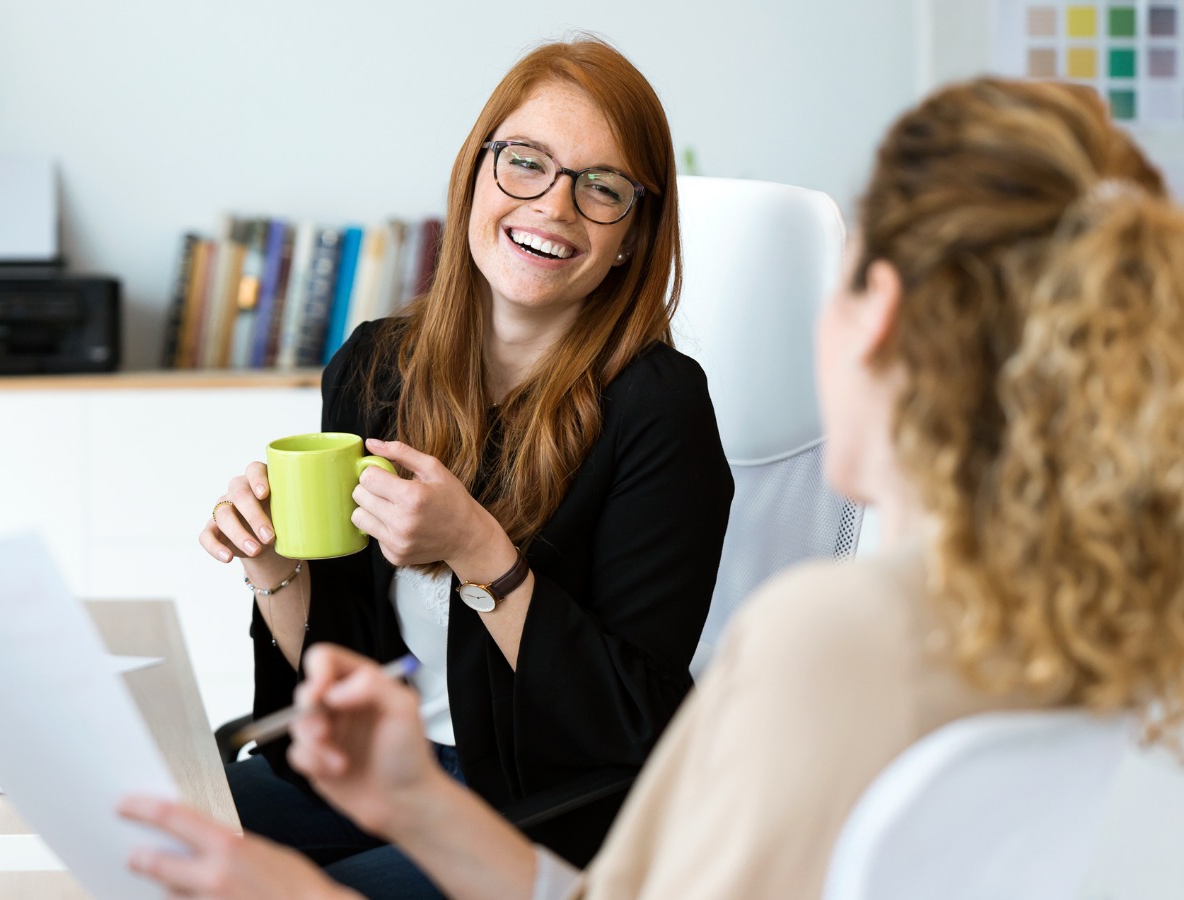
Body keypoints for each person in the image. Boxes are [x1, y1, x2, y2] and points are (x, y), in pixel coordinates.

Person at [120, 76, 1184, 899]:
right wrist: (402, 785)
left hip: (550, 791)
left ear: (881, 317)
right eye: (524, 164)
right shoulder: (1130, 642)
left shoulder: (831, 632)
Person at [191, 36, 734, 897]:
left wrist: (482, 554)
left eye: (601, 187)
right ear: (476, 175)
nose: (554, 207)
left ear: (632, 234)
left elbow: (639, 723)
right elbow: (348, 670)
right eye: (526, 163)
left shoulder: (658, 408)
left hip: (541, 808)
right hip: (375, 769)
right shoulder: (374, 369)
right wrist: (275, 567)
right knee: (149, 835)